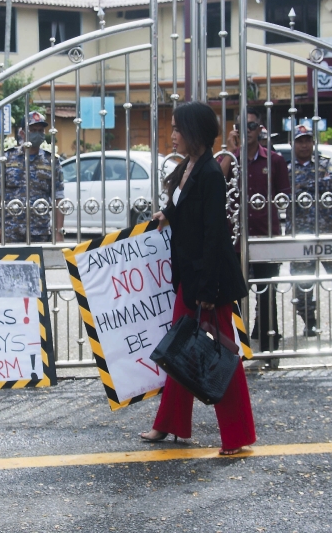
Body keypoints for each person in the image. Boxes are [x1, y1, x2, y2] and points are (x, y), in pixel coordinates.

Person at [141, 102, 254, 454]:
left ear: (195, 133)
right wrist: (168, 213)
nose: (172, 135)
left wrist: (206, 289)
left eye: (177, 129)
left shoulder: (210, 173)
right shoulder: (189, 167)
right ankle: (170, 424)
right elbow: (186, 206)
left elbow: (213, 234)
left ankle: (237, 436)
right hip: (189, 278)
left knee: (221, 355)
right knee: (181, 350)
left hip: (208, 282)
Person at [220, 109, 291, 351]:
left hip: (265, 236)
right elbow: (217, 181)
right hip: (235, 239)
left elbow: (284, 197)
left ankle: (270, 344)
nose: (246, 131)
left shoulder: (275, 161)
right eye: (241, 126)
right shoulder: (229, 159)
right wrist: (231, 151)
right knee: (236, 296)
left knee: (267, 292)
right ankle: (239, 347)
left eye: (251, 126)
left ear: (260, 129)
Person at [285, 125, 332, 339]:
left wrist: (303, 185)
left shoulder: (325, 163)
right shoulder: (287, 168)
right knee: (303, 284)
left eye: (307, 140)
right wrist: (314, 185)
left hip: (327, 231)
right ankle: (309, 323)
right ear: (293, 144)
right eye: (300, 141)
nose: (304, 145)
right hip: (300, 235)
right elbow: (285, 188)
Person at [0, 111, 64, 244]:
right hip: (10, 230)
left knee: (39, 265)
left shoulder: (52, 161)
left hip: (40, 231)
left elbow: (58, 198)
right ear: (22, 133)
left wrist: (58, 231)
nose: (37, 134)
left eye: (40, 130)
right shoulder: (6, 158)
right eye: (33, 130)